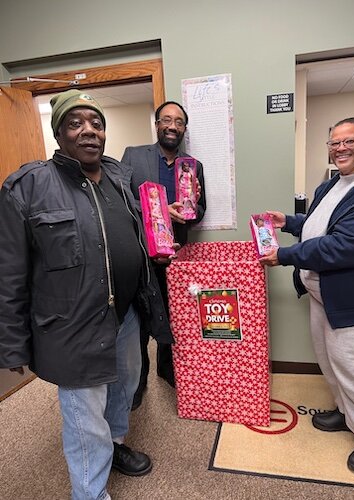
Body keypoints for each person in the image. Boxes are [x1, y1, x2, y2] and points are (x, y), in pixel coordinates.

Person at [0, 89, 174, 499]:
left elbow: (130, 236)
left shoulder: (118, 176)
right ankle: (91, 493)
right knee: (83, 417)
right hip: (72, 325)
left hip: (127, 314)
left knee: (125, 385)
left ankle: (113, 446)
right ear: (59, 133)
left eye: (96, 123)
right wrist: (12, 346)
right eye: (76, 123)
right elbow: (9, 273)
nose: (89, 131)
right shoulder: (28, 186)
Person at [260, 116, 354, 475]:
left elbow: (346, 245)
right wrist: (289, 222)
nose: (340, 148)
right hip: (320, 294)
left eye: (349, 141)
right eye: (334, 142)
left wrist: (284, 255)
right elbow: (318, 223)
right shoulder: (332, 184)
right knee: (330, 361)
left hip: (353, 298)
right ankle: (347, 414)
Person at [122, 101, 206, 408]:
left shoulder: (192, 166)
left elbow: (199, 212)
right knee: (141, 320)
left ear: (185, 128)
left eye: (179, 122)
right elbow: (121, 200)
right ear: (157, 124)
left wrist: (191, 207)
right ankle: (138, 379)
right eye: (166, 120)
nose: (172, 126)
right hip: (141, 254)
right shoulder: (133, 155)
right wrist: (157, 213)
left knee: (175, 318)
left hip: (176, 257)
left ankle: (168, 370)